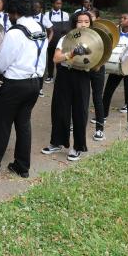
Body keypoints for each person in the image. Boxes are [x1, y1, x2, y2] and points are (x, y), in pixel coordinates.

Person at [0, 0, 45, 179]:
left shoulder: (15, 32)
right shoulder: (40, 29)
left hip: (15, 85)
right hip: (34, 82)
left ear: (14, 11)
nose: (8, 16)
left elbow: (2, 61)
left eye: (8, 13)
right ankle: (22, 166)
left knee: (1, 124)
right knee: (23, 124)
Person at [42, 11, 94, 162]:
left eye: (86, 21)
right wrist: (71, 53)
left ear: (90, 24)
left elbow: (97, 64)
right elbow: (56, 58)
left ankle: (78, 146)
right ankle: (57, 142)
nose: (83, 24)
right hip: (64, 74)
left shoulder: (95, 40)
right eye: (80, 21)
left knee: (80, 111)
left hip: (82, 76)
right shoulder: (66, 38)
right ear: (74, 23)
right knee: (60, 108)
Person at [101, 13, 128, 133]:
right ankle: (103, 115)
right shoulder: (114, 34)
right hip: (116, 66)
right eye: (121, 18)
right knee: (107, 91)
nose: (121, 20)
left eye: (125, 18)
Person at [86, 8, 107, 142]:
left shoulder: (103, 32)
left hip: (97, 68)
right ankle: (73, 122)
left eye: (91, 17)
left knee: (97, 97)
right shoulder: (81, 32)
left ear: (97, 19)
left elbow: (107, 50)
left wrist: (99, 64)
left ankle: (99, 128)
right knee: (79, 97)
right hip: (83, 68)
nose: (88, 20)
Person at [41, 0, 70, 85]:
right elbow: (46, 28)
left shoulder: (65, 15)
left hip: (60, 40)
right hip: (51, 40)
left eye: (60, 4)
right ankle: (50, 76)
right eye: (57, 3)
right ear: (53, 4)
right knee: (50, 59)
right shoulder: (47, 14)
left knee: (60, 59)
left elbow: (67, 28)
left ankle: (60, 77)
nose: (59, 5)